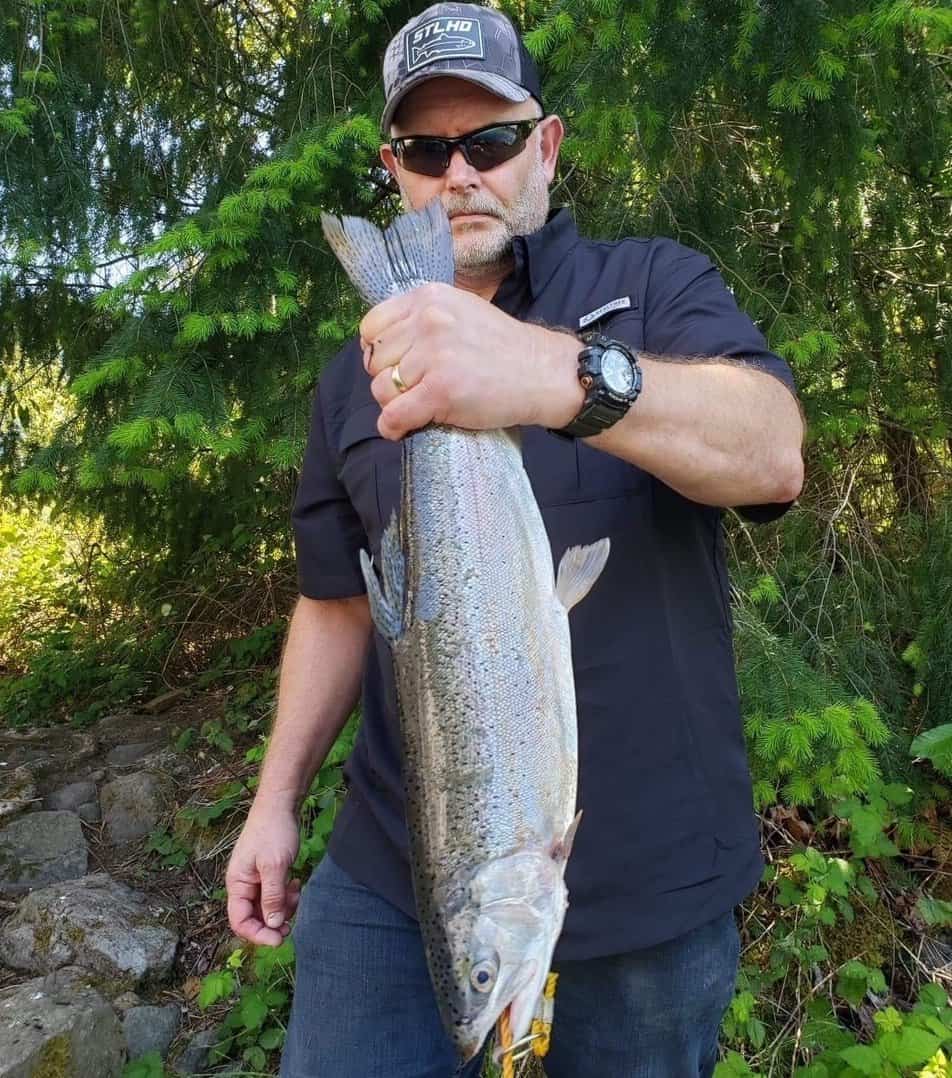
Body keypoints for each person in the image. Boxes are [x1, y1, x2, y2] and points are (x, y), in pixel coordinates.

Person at [226, 4, 804, 1075]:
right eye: (426, 149)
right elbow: (336, 599)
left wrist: (550, 375)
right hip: (391, 874)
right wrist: (273, 803)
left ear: (544, 146)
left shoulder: (656, 285)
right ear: (392, 168)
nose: (461, 175)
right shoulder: (354, 374)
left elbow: (772, 454)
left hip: (649, 895)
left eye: (489, 141)